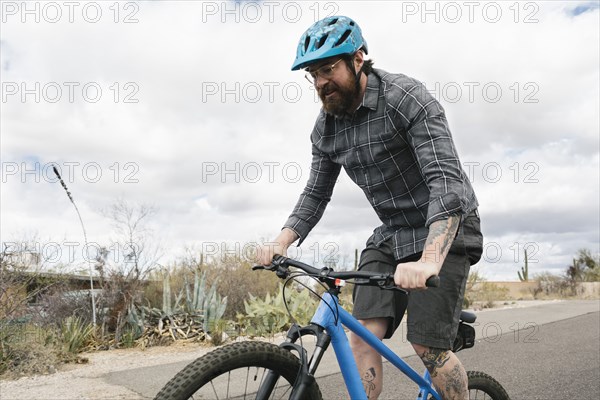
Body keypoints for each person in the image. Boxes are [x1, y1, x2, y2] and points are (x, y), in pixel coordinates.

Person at [258, 15, 483, 400]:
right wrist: (281, 241)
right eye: (313, 74)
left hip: (447, 228)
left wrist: (429, 259)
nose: (320, 82)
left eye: (328, 69)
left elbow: (446, 183)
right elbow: (315, 193)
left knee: (428, 347)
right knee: (362, 336)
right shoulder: (325, 128)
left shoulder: (406, 98)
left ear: (358, 58)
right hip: (392, 234)